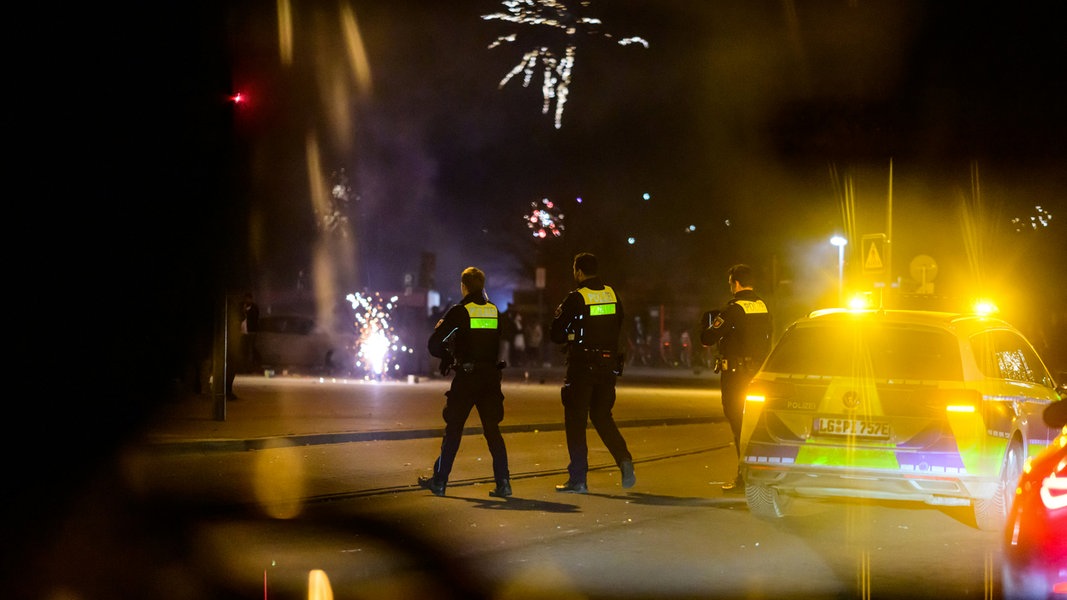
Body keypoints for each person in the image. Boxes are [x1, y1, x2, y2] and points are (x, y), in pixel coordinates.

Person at [418, 267, 512, 498]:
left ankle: (440, 481)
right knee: (493, 431)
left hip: (468, 377)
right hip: (490, 377)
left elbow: (434, 344)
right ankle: (504, 482)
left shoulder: (460, 311)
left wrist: (449, 357)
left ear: (464, 286)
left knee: (454, 430)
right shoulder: (493, 311)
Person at [549, 252, 635, 493]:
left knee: (576, 420)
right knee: (602, 415)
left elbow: (555, 334)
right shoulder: (612, 294)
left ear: (578, 272)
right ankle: (624, 460)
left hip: (582, 365)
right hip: (608, 364)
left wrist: (571, 335)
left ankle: (578, 478)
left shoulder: (576, 298)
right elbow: (619, 324)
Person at [700, 264, 772, 492]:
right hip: (758, 373)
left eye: (731, 282)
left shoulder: (733, 310)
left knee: (739, 425)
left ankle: (744, 477)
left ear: (736, 283)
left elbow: (708, 338)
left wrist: (706, 322)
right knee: (756, 425)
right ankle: (759, 474)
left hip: (736, 376)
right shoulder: (762, 306)